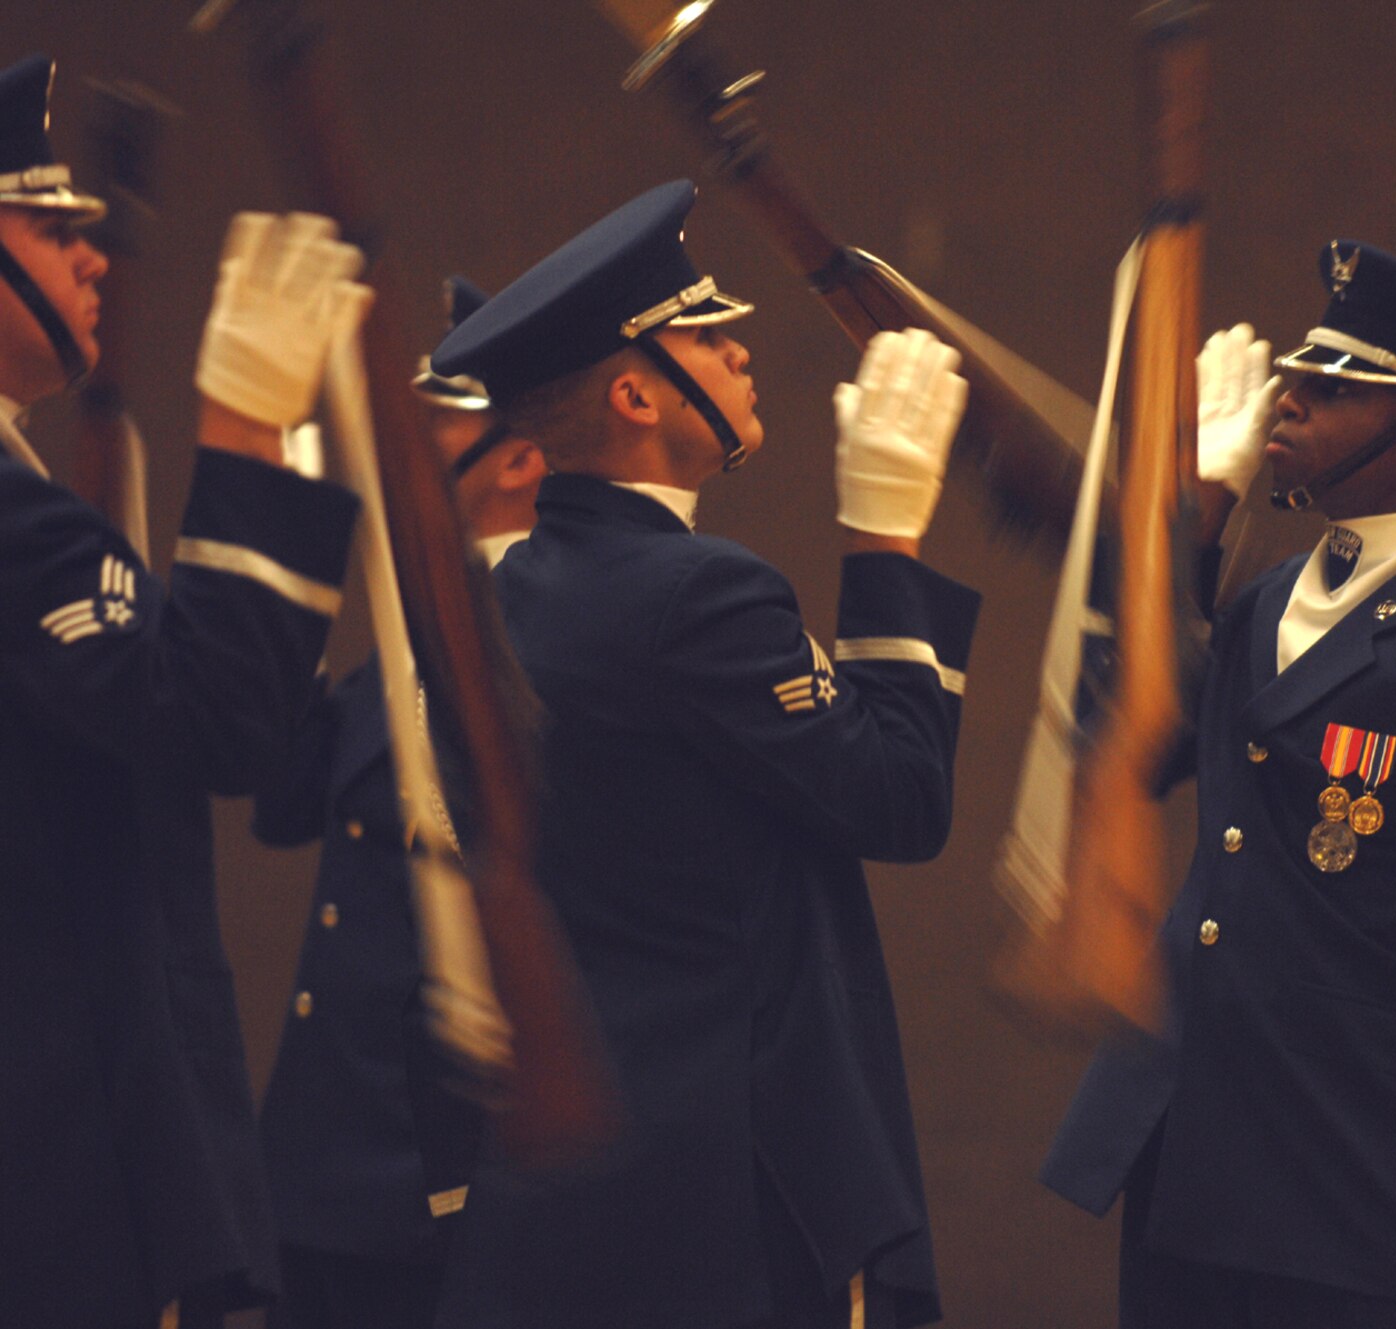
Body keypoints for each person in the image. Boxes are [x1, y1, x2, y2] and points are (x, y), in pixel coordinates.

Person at [1042, 242, 1396, 1329]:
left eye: (1337, 387)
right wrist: (1198, 507)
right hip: (1194, 1165)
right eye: (1298, 375)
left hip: (1360, 1198)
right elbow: (1116, 731)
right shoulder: (1263, 605)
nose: (1289, 399)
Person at [424, 180, 977, 1329]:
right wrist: (884, 532)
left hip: (583, 1177)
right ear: (636, 390)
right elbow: (900, 800)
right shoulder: (698, 593)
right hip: (734, 1184)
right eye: (707, 336)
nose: (740, 348)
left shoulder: (512, 591)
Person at [0, 51, 367, 1329]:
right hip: (59, 1155)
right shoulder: (15, 527)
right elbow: (213, 728)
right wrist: (243, 431)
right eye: (50, 233)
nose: (91, 259)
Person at [253, 275, 546, 1329]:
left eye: (435, 417)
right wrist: (278, 557)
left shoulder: (535, 639)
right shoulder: (413, 631)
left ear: (518, 456)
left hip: (434, 1168)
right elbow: (283, 799)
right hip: (321, 1163)